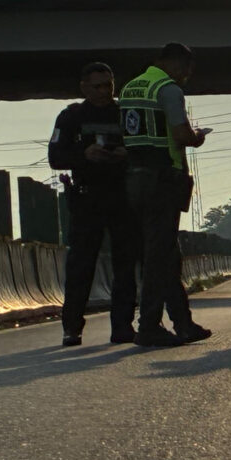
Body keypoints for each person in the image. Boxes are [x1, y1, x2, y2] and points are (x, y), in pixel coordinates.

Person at [119, 43, 212, 347]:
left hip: (136, 178)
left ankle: (183, 324)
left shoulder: (132, 87)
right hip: (163, 178)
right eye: (187, 70)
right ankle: (148, 325)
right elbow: (181, 134)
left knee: (166, 253)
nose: (187, 76)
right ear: (178, 64)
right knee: (159, 257)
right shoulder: (168, 88)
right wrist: (198, 137)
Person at [48, 62, 137, 346]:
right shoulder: (71, 116)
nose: (103, 91)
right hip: (87, 197)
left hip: (121, 195)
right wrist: (84, 154)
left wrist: (125, 153)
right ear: (84, 87)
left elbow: (143, 148)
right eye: (97, 86)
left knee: (125, 264)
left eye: (108, 85)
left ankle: (123, 326)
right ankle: (72, 327)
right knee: (81, 265)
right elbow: (56, 157)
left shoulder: (125, 112)